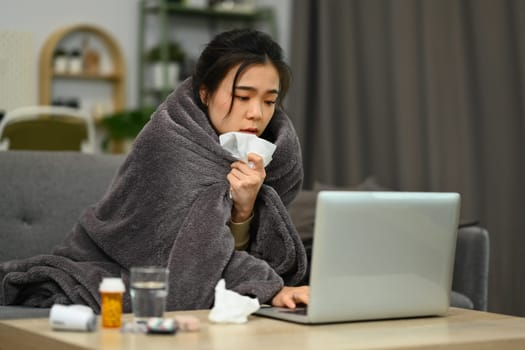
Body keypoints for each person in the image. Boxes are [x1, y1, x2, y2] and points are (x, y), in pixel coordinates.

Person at [0, 28, 309, 312]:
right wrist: (270, 287)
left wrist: (245, 210)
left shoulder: (275, 160)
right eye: (242, 97)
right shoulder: (168, 143)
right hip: (114, 266)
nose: (256, 113)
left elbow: (257, 249)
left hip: (227, 296)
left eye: (270, 101)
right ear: (205, 93)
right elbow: (181, 262)